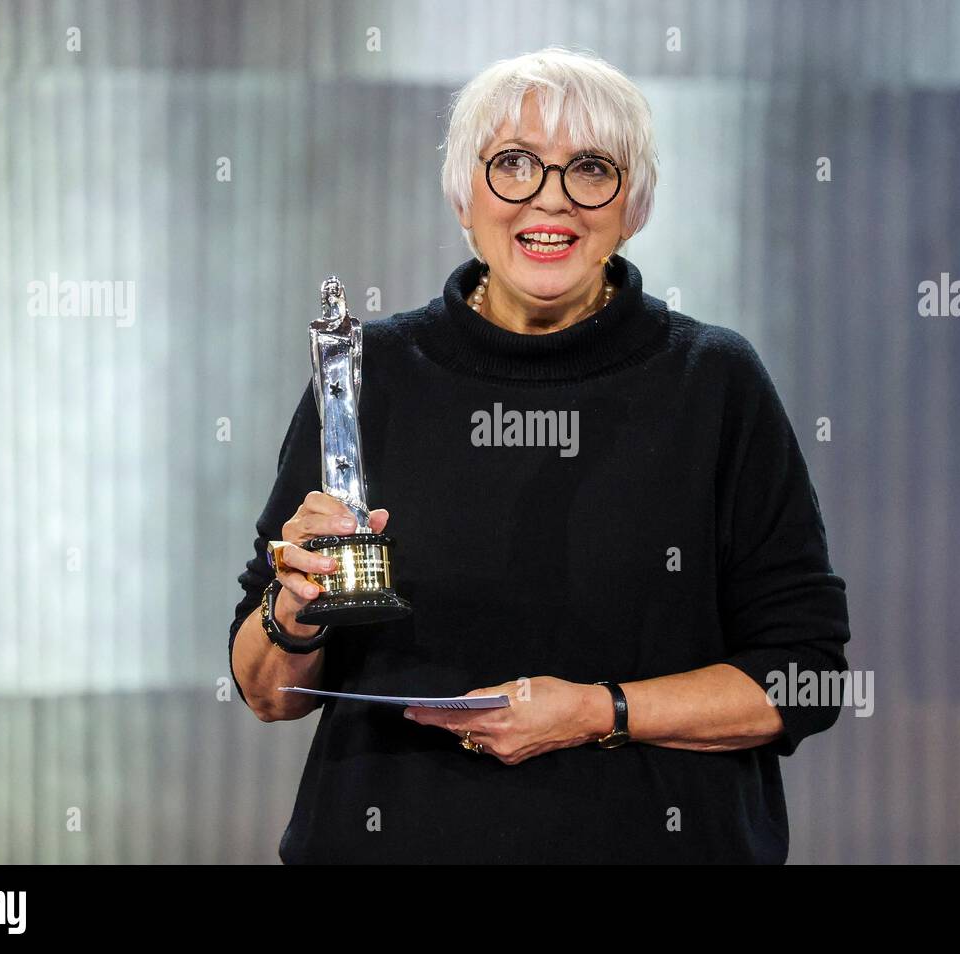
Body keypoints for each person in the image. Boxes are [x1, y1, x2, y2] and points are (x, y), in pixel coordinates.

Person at [228, 46, 852, 864]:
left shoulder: (713, 382)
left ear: (631, 204)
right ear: (464, 192)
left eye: (591, 168)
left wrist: (599, 712)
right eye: (513, 164)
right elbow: (268, 692)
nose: (550, 200)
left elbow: (805, 677)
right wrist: (295, 608)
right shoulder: (366, 376)